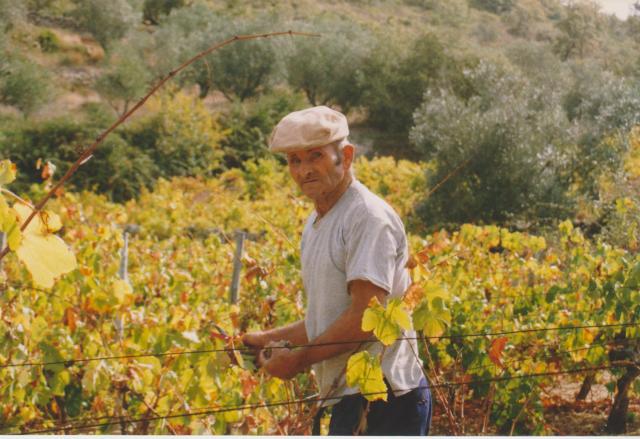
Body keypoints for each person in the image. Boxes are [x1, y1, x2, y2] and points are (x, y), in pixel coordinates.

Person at [242, 106, 431, 435]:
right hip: (350, 395)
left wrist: (299, 360)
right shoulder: (316, 222)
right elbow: (327, 318)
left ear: (345, 156)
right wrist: (266, 339)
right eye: (294, 160)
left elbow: (364, 319)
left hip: (387, 397)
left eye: (315, 156)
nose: (304, 171)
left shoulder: (367, 218)